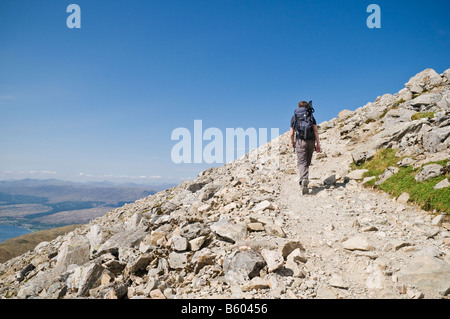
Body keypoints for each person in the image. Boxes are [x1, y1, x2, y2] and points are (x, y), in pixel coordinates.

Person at [290, 101, 321, 195]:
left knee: (301, 162)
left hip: (300, 141)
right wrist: (318, 144)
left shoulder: (294, 116)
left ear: (298, 107)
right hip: (311, 141)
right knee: (307, 162)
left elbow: (292, 133)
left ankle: (303, 180)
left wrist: (293, 143)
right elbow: (315, 130)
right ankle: (305, 178)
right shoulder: (310, 115)